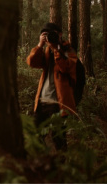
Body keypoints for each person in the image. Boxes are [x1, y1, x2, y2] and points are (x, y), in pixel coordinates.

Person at [26, 22, 78, 150]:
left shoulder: (68, 49)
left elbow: (66, 68)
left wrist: (56, 48)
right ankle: (42, 163)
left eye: (53, 34)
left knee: (58, 138)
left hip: (58, 103)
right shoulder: (46, 50)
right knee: (36, 135)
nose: (50, 37)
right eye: (47, 35)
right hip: (42, 100)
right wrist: (40, 45)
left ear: (60, 34)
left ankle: (61, 165)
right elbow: (32, 63)